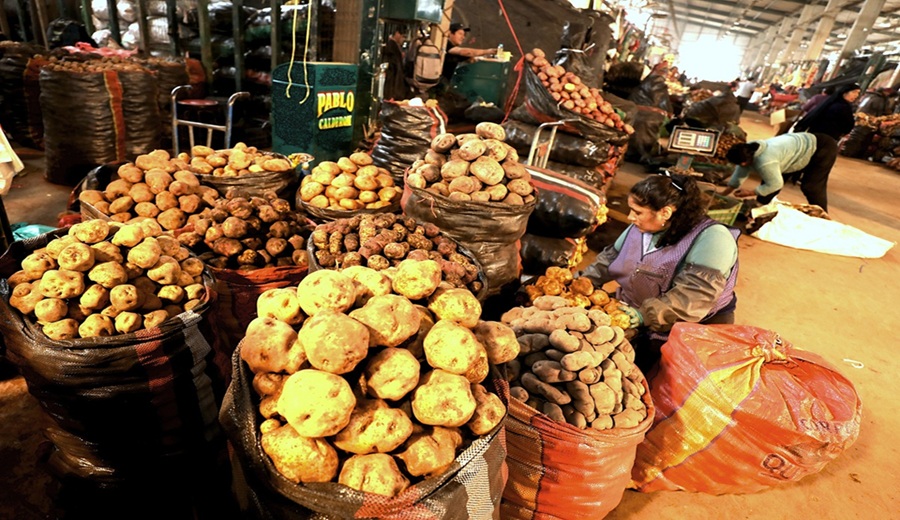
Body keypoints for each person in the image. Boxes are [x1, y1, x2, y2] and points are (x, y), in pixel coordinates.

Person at [578, 173, 740, 372]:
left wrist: (644, 315)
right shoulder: (641, 227)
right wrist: (581, 282)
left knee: (661, 379)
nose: (630, 217)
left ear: (665, 212)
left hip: (691, 323)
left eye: (637, 212)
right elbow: (609, 259)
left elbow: (693, 297)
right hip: (638, 307)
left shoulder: (713, 239)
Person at [723, 132, 837, 211]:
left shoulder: (765, 161)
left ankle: (823, 217)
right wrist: (723, 194)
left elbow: (776, 184)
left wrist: (750, 192)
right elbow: (740, 173)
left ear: (744, 162)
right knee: (771, 177)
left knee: (811, 186)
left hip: (822, 147)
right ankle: (761, 206)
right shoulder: (748, 149)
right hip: (793, 149)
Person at [792, 83, 860, 141]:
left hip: (814, 135)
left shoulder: (831, 102)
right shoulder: (843, 107)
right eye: (854, 92)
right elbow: (848, 125)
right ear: (844, 93)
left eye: (858, 93)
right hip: (825, 139)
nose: (856, 95)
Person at [439, 23, 497, 88]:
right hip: (438, 82)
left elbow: (471, 59)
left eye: (464, 35)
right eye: (460, 34)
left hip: (445, 83)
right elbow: (467, 52)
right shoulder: (446, 44)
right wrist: (486, 51)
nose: (463, 37)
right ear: (450, 33)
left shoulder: (455, 50)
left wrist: (488, 57)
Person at [381, 29, 411, 101]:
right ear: (397, 33)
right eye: (403, 36)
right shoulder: (391, 47)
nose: (403, 39)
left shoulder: (394, 46)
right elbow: (393, 70)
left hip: (393, 85)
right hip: (393, 85)